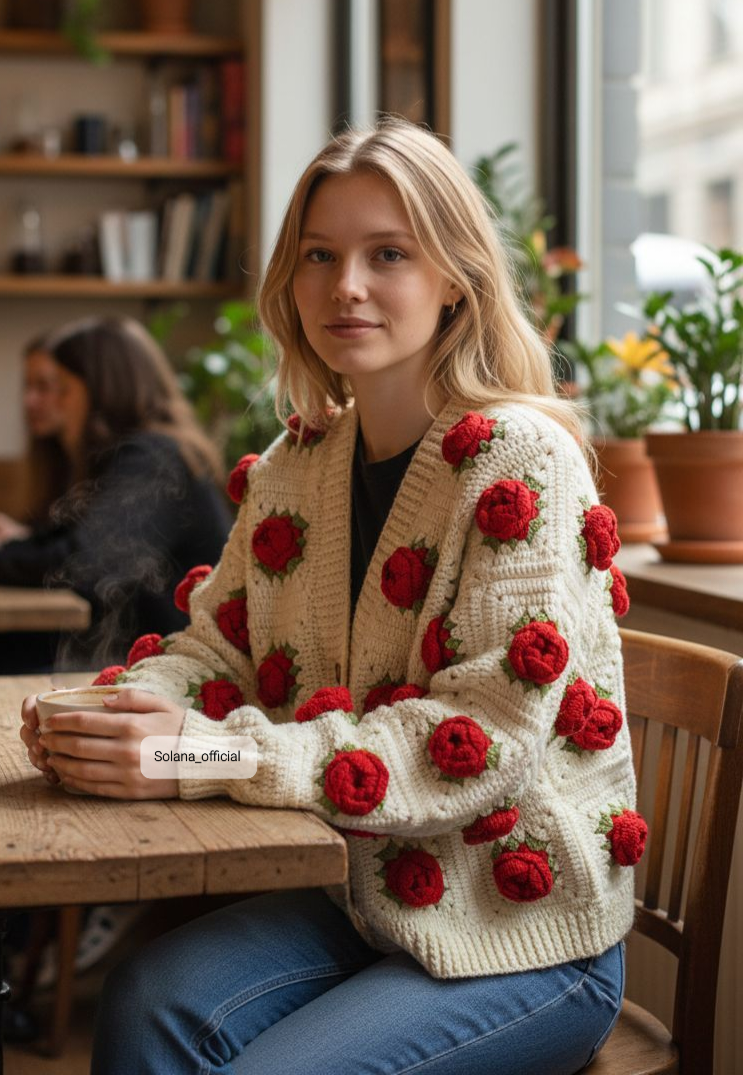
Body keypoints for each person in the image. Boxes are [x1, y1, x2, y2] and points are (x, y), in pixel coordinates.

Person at [20, 119, 644, 1075]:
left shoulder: (524, 463)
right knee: (144, 1005)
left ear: (455, 280)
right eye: (319, 254)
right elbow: (215, 655)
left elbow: (477, 739)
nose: (344, 285)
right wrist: (115, 718)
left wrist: (197, 751)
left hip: (522, 929)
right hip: (363, 890)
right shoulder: (297, 465)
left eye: (386, 253)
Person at [0, 316, 232, 673]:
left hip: (173, 667)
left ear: (101, 387)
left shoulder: (152, 457)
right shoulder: (131, 455)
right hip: (138, 650)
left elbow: (83, 561)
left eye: (63, 389)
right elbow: (75, 540)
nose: (56, 404)